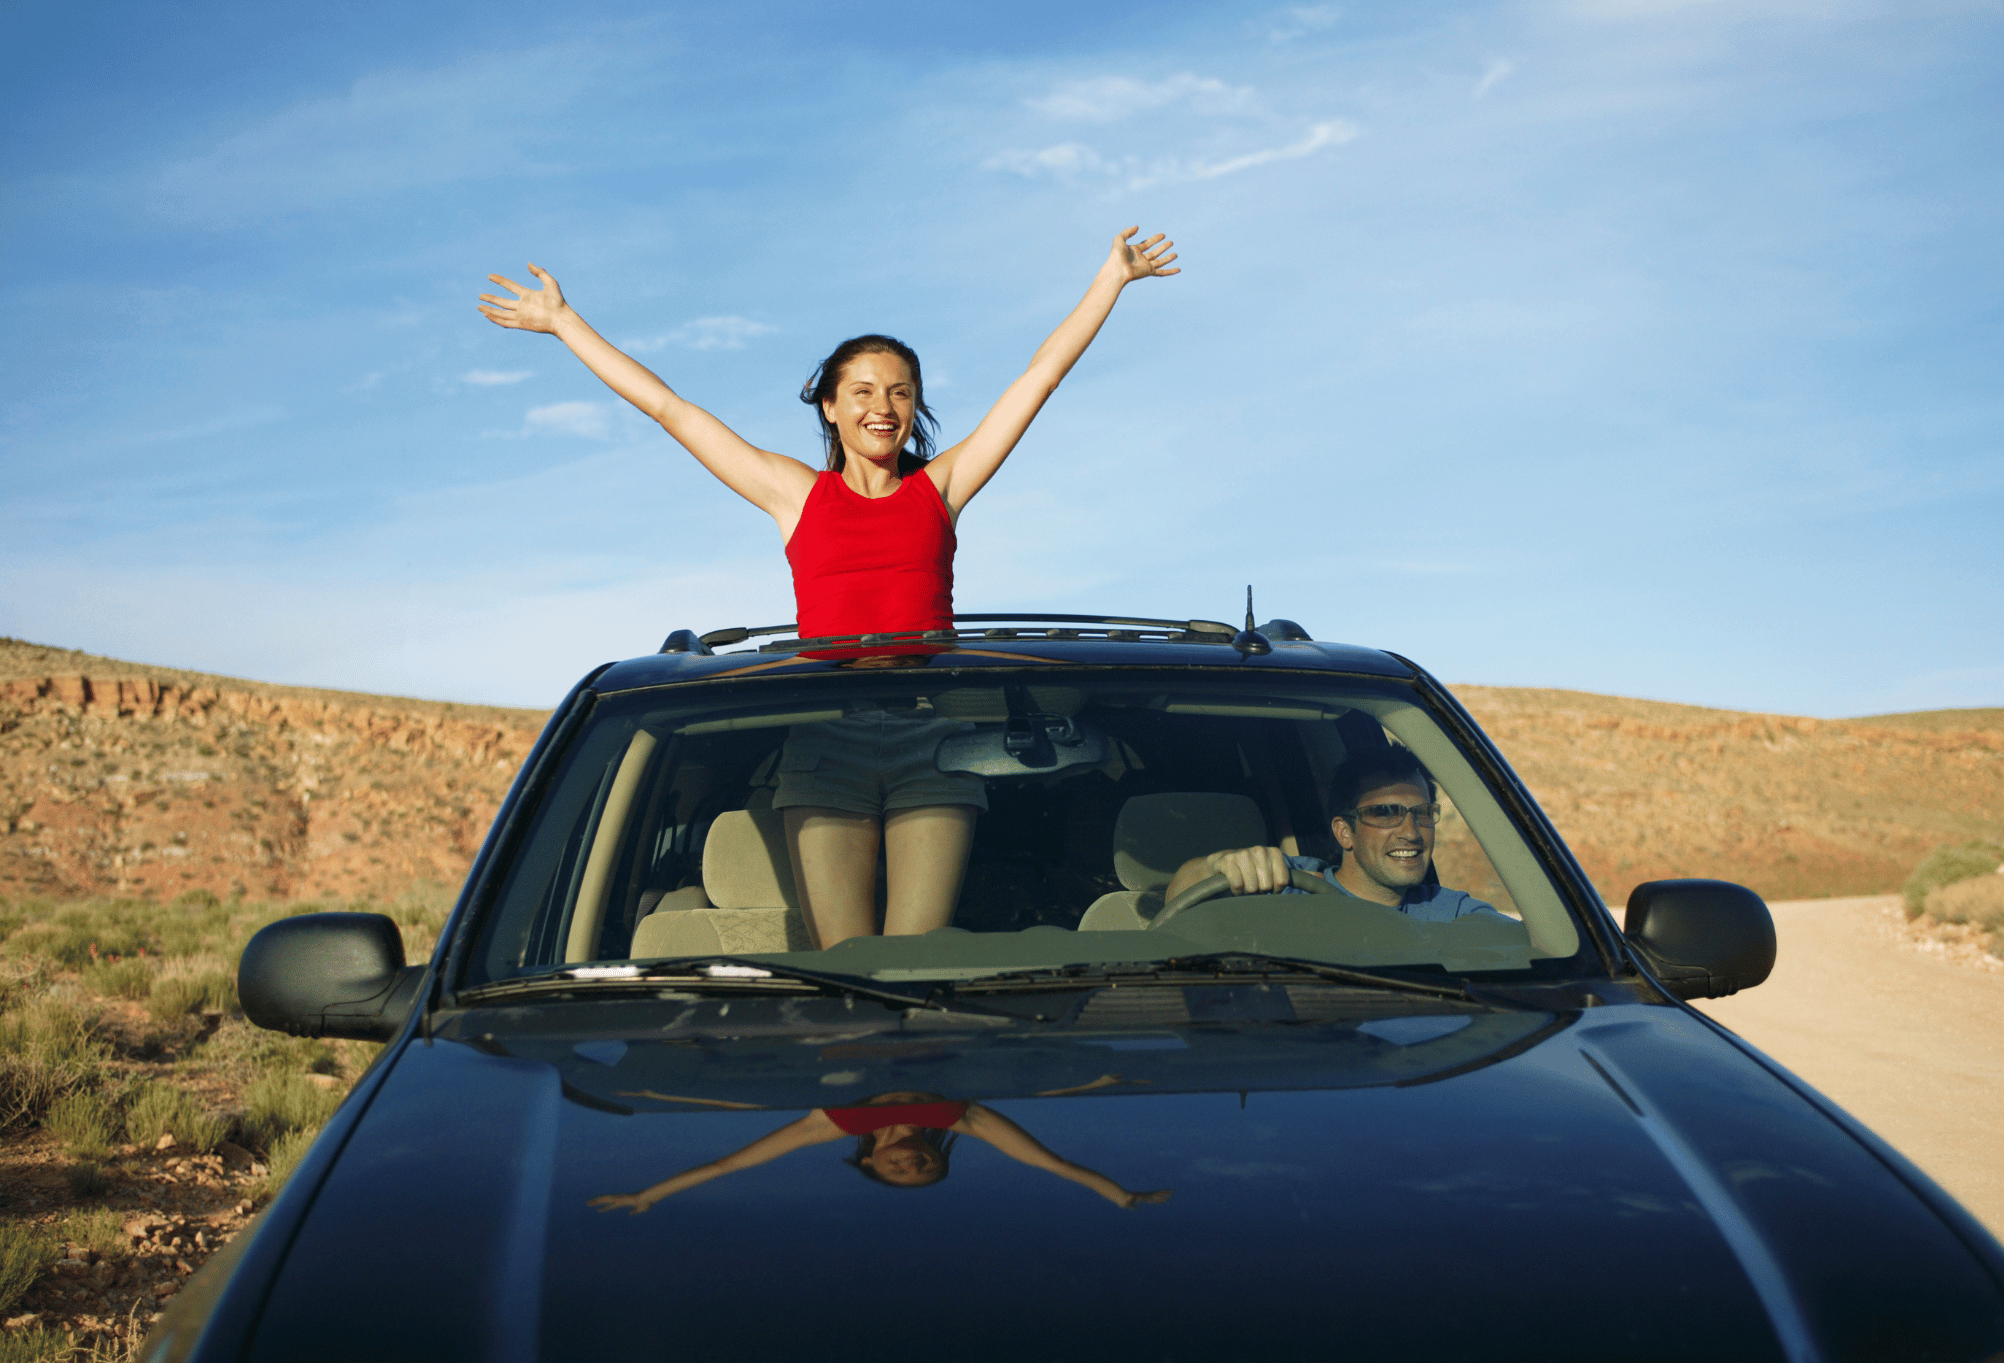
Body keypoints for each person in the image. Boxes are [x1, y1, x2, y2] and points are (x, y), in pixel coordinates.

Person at [479, 229, 1180, 951]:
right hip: (824, 741)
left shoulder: (940, 488)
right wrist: (564, 324)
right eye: (864, 392)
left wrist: (1110, 280)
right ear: (830, 408)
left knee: (914, 960)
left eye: (901, 392)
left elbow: (1040, 377)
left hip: (933, 737)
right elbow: (671, 409)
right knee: (845, 963)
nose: (884, 406)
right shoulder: (794, 494)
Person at [586, 1086, 1172, 1212]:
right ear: (940, 1154)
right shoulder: (964, 1117)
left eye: (900, 1171)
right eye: (927, 1166)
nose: (914, 1162)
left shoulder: (831, 1124)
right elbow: (1052, 1165)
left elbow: (730, 1164)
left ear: (869, 1161)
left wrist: (649, 1193)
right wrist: (1117, 1194)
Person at [1161, 752, 1514, 922]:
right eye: (1385, 813)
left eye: (1421, 814)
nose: (1410, 833)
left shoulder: (1452, 912)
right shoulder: (1283, 883)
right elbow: (1181, 896)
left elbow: (1528, 950)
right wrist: (1220, 865)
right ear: (1344, 832)